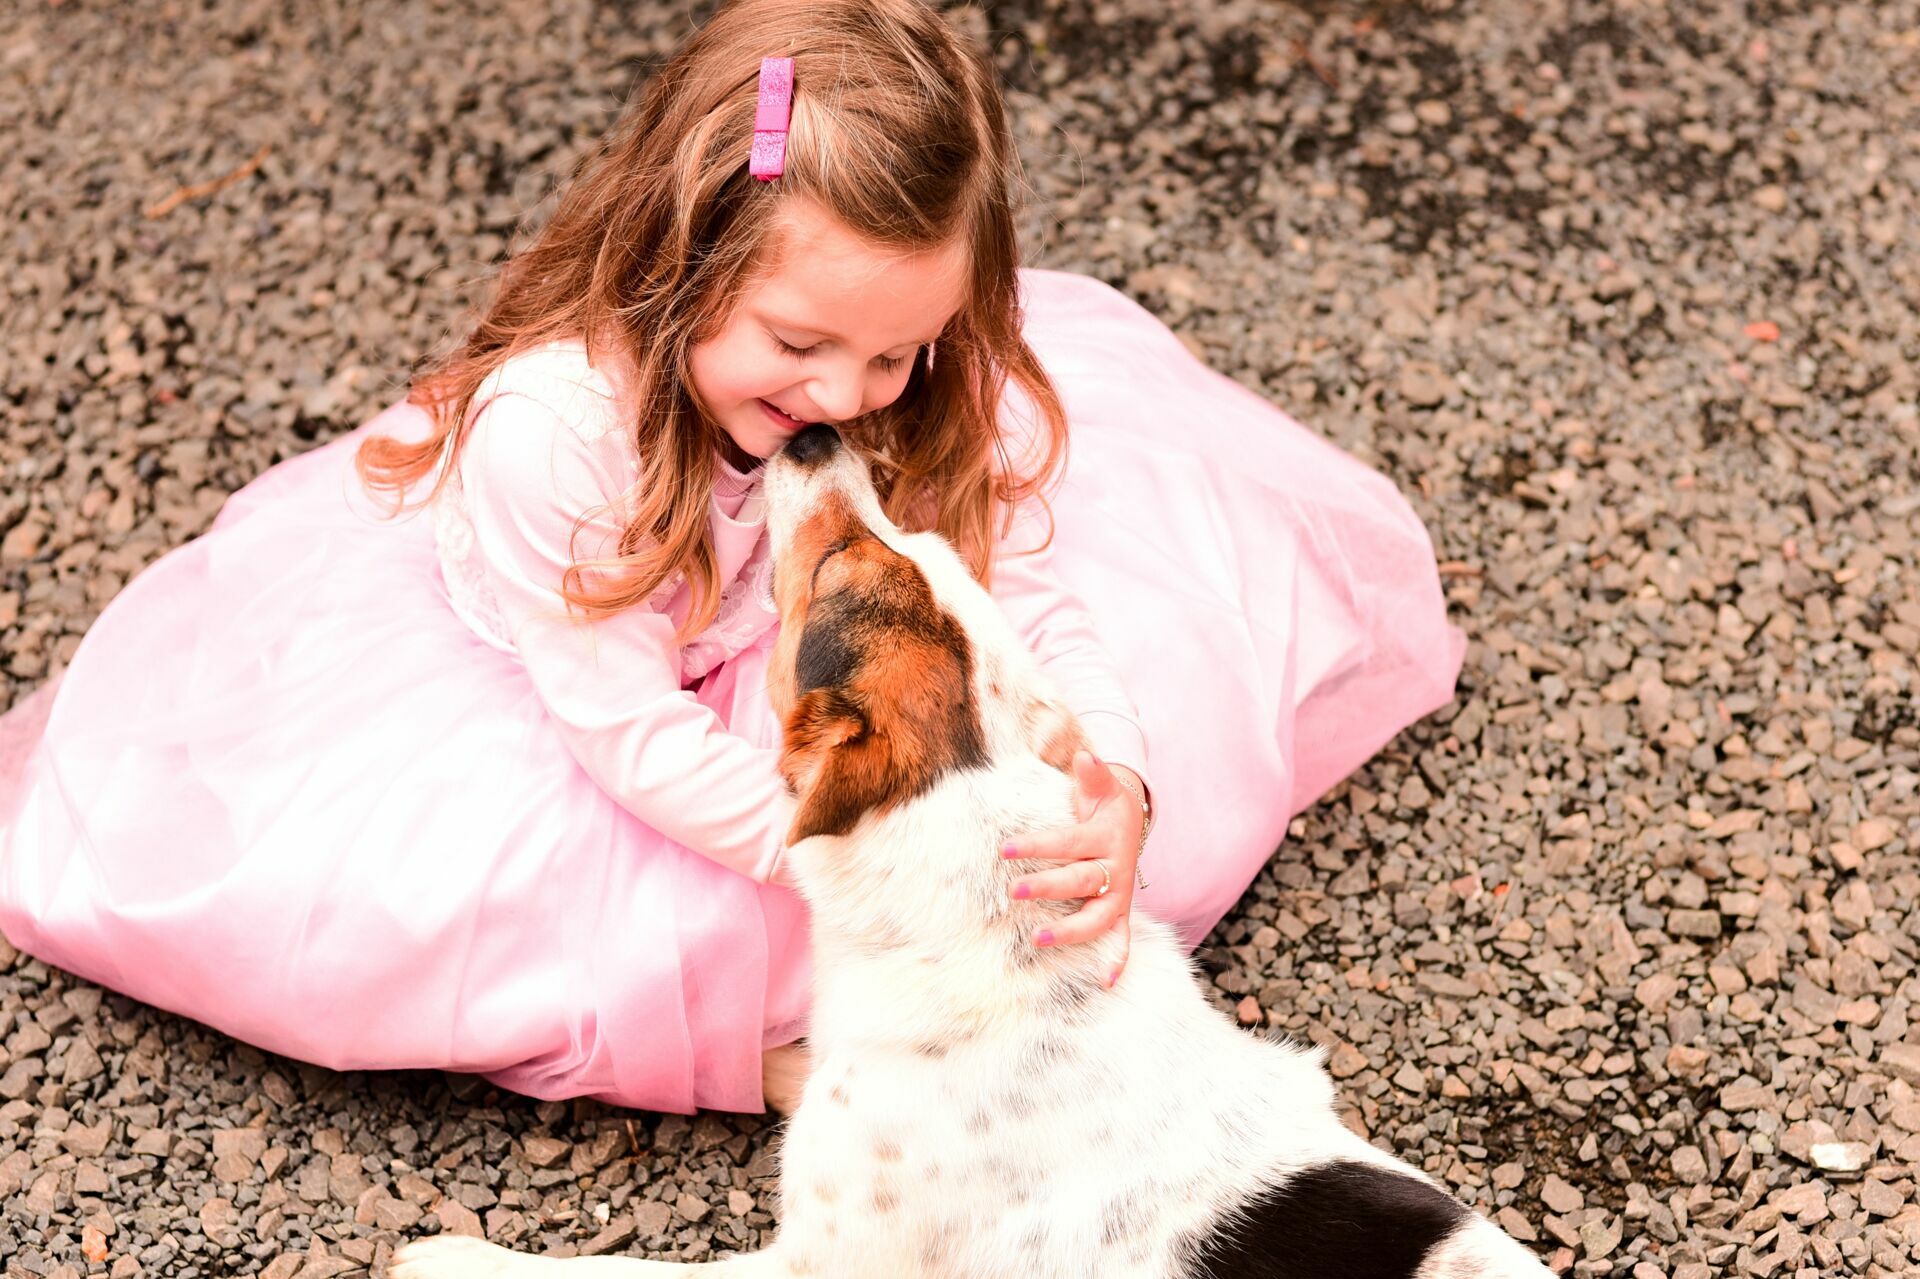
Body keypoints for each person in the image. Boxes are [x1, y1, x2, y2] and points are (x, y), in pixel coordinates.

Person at [0, 0, 1463, 1116]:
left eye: (895, 349)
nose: (844, 396)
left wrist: (1118, 780)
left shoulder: (907, 381)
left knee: (1099, 804)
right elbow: (629, 734)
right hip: (598, 682)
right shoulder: (560, 436)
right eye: (800, 346)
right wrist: (880, 858)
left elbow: (1019, 591)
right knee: (574, 926)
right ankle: (779, 1056)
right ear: (682, 257)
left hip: (790, 629)